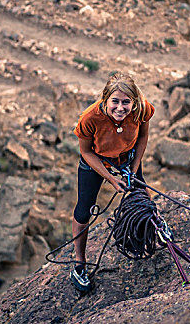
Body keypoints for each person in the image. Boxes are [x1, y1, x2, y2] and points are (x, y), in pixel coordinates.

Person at [70, 72, 155, 292]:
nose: (120, 108)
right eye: (115, 102)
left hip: (126, 157)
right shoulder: (90, 118)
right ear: (105, 99)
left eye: (126, 102)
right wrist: (111, 179)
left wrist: (134, 171)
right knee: (83, 210)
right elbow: (86, 152)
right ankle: (79, 262)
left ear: (133, 102)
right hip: (96, 161)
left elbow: (143, 137)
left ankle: (152, 228)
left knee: (141, 192)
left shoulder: (141, 109)